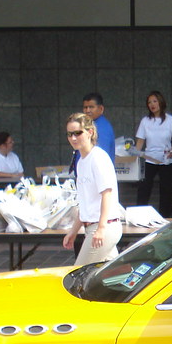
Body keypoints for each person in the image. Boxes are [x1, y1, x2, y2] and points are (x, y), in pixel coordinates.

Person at [62, 112, 124, 265]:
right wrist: (73, 231)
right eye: (70, 134)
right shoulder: (81, 161)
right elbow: (85, 203)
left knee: (78, 274)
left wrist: (101, 229)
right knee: (110, 278)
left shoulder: (98, 157)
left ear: (90, 132)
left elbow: (107, 194)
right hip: (93, 227)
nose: (73, 138)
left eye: (78, 133)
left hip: (105, 226)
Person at [134, 91, 172, 216]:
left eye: (154, 101)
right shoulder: (145, 121)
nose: (152, 105)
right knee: (145, 187)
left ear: (161, 102)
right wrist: (135, 156)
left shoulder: (170, 120)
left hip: (166, 159)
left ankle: (166, 216)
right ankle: (139, 214)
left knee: (166, 189)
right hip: (150, 159)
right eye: (149, 102)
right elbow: (140, 140)